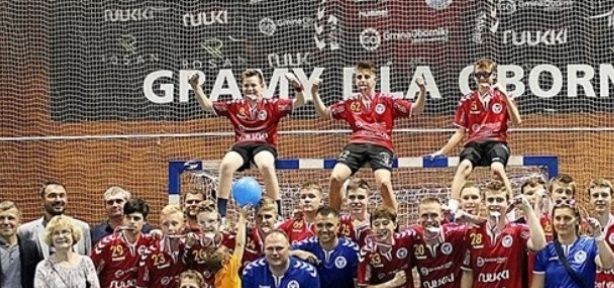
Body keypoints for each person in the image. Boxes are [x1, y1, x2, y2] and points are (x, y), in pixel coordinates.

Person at [313, 61, 426, 212]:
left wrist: (422, 90)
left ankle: (394, 221)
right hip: (357, 144)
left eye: (367, 77)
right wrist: (314, 92)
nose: (362, 80)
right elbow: (324, 113)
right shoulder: (350, 103)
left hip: (381, 145)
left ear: (374, 80)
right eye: (359, 77)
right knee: (335, 178)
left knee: (384, 183)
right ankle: (334, 218)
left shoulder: (387, 101)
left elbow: (416, 109)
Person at [188, 68, 303, 210]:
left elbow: (299, 102)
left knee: (266, 165)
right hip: (242, 146)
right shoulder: (235, 105)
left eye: (253, 85)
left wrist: (298, 88)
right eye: (246, 85)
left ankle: (278, 212)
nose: (250, 88)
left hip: (264, 146)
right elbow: (207, 106)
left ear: (262, 86)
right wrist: (196, 87)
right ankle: (221, 214)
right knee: (226, 165)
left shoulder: (273, 105)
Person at [433, 58, 522, 203]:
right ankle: (453, 205)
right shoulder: (467, 100)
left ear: (494, 75)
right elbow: (460, 132)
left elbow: (517, 121)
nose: (481, 78)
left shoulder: (504, 97)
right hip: (474, 144)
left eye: (485, 74)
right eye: (478, 75)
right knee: (464, 166)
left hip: (496, 142)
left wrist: (505, 95)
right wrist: (442, 151)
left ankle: (510, 203)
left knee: (497, 168)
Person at [92, 198, 153, 288]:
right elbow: (90, 280)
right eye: (128, 217)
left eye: (136, 218)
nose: (132, 222)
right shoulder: (106, 244)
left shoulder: (150, 243)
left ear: (144, 222)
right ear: (123, 219)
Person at [291, 206, 360, 288]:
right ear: (314, 226)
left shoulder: (351, 250)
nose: (324, 230)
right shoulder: (306, 246)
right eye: (319, 225)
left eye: (329, 225)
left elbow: (358, 287)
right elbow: (279, 253)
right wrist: (297, 253)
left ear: (338, 226)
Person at [19, 182, 92, 256]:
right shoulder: (26, 231)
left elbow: (88, 258)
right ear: (42, 200)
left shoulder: (82, 228)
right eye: (52, 196)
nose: (58, 200)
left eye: (62, 195)